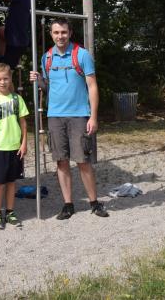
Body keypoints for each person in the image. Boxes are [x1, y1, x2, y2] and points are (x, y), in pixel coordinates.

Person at [29, 18, 109, 219]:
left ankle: (94, 202)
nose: (60, 36)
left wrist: (93, 116)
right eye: (56, 33)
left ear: (70, 33)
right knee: (61, 161)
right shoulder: (47, 57)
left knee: (83, 161)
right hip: (55, 116)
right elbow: (48, 87)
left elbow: (92, 86)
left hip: (79, 115)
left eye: (63, 32)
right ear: (51, 34)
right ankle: (68, 204)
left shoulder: (81, 55)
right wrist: (38, 80)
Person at [0, 63, 29, 229]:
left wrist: (24, 143)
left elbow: (23, 122)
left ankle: (10, 212)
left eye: (5, 78)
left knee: (11, 182)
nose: (3, 82)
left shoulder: (17, 99)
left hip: (14, 147)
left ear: (10, 79)